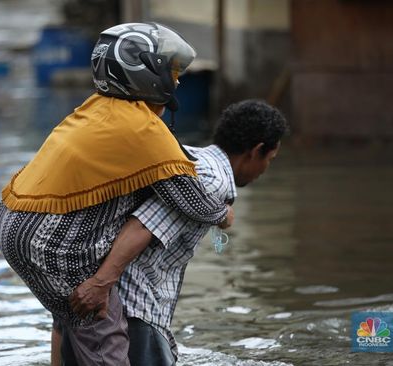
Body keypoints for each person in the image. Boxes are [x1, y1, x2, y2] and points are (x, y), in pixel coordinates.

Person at [0, 22, 233, 365]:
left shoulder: (98, 107)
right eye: (171, 70)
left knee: (70, 317)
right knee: (105, 337)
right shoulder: (144, 128)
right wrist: (224, 214)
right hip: (55, 240)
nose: (176, 80)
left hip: (13, 223)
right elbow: (190, 198)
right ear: (146, 74)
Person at [66, 99, 288, 365]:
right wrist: (101, 284)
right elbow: (142, 225)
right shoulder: (212, 181)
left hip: (97, 300)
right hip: (133, 305)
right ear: (257, 151)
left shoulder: (191, 157)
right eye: (271, 160)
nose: (266, 170)